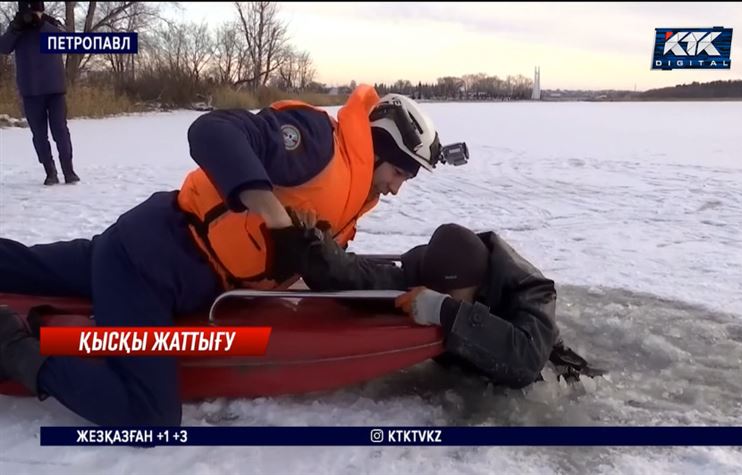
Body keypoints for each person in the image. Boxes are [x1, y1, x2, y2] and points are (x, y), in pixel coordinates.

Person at [0, 84, 463, 426]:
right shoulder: (318, 143)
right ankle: (13, 347)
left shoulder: (352, 200)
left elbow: (321, 267)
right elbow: (213, 130)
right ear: (380, 146)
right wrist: (276, 218)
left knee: (24, 265)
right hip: (150, 266)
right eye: (400, 172)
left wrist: (393, 288)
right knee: (148, 418)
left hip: (147, 246)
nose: (397, 189)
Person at [297, 222, 605, 388]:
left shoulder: (528, 287)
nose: (439, 295)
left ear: (477, 284)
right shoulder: (431, 265)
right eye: (436, 291)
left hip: (549, 370)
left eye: (451, 293)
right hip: (465, 374)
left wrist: (444, 311)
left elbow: (526, 361)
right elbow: (368, 280)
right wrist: (315, 253)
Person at [0, 1, 79, 185]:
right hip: (31, 91)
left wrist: (42, 23)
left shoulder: (51, 24)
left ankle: (69, 170)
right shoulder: (16, 28)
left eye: (35, 11)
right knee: (39, 135)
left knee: (60, 131)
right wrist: (16, 28)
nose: (31, 15)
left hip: (55, 90)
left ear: (41, 10)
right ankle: (50, 171)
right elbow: (3, 47)